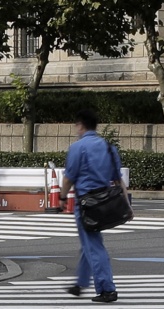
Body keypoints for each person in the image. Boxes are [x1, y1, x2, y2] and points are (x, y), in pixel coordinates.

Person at [59, 110, 120, 304]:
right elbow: (118, 179)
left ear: (81, 126)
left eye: (77, 126)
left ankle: (107, 289)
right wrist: (127, 206)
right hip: (105, 201)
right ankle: (80, 283)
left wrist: (61, 197)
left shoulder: (78, 147)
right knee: (90, 242)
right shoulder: (109, 147)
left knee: (94, 246)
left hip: (86, 203)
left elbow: (69, 177)